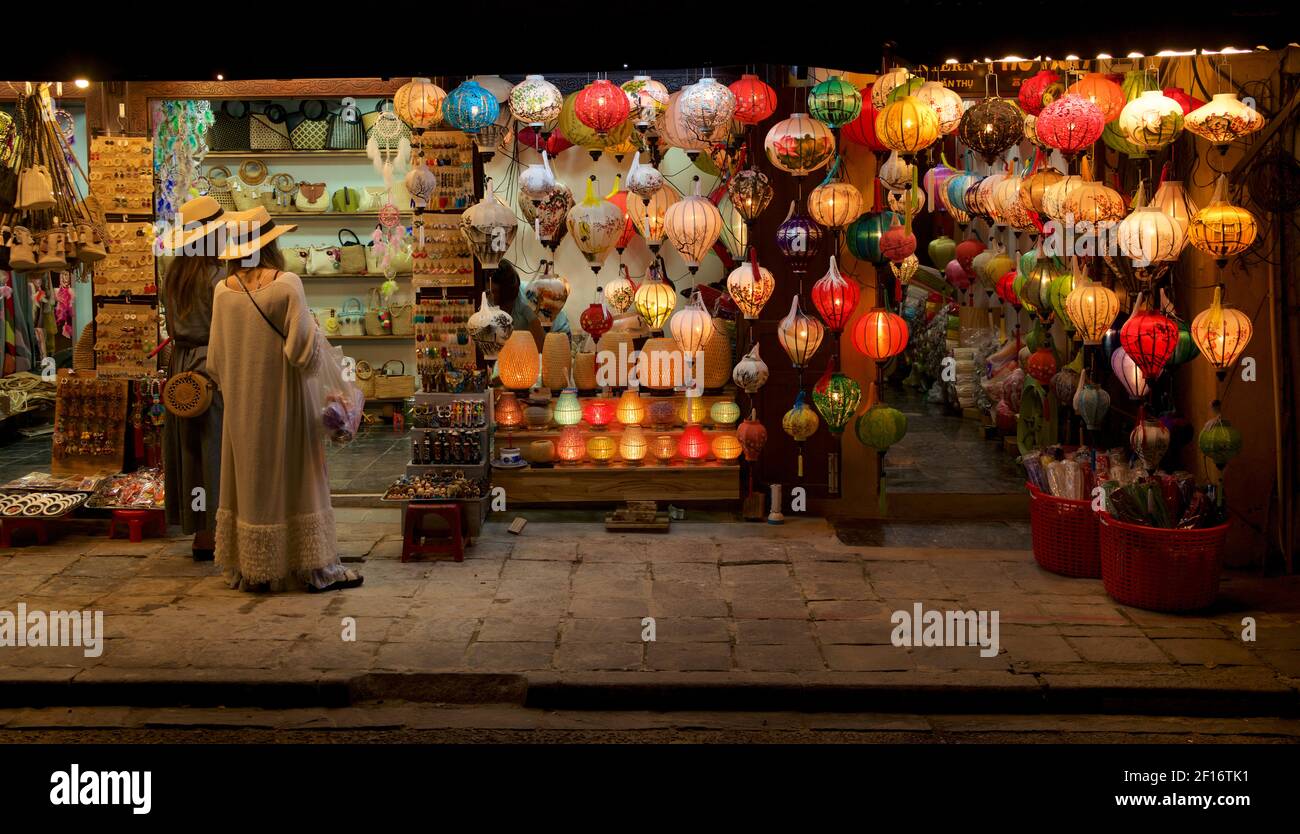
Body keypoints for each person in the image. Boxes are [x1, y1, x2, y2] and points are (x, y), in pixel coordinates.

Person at [207, 206, 362, 592]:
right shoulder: (287, 283)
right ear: (272, 243)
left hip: (242, 403)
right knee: (298, 476)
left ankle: (255, 568)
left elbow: (214, 360)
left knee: (251, 479)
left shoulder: (222, 292)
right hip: (285, 400)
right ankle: (312, 567)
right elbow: (302, 352)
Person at [159, 196, 237, 561]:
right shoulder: (221, 275)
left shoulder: (174, 273)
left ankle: (200, 532)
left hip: (180, 366)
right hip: (213, 364)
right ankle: (220, 530)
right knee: (216, 447)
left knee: (189, 450)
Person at [491, 259, 569, 350]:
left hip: (557, 335)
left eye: (495, 292)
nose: (493, 296)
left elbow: (540, 347)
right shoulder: (492, 298)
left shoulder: (528, 298)